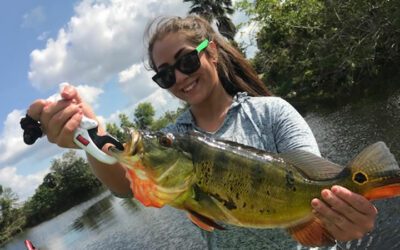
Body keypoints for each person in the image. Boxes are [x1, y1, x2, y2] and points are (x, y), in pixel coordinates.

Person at [27, 16, 377, 249]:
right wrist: (89, 134)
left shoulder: (271, 112)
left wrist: (340, 220)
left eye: (186, 62)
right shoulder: (175, 137)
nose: (179, 77)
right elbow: (124, 184)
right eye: (165, 75)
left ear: (209, 52)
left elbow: (319, 210)